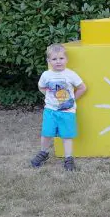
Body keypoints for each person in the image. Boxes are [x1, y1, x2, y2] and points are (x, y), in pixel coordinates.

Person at [30, 43, 87, 171]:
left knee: (67, 136)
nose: (58, 62)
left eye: (61, 58)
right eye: (54, 59)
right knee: (46, 133)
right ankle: (43, 153)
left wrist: (71, 100)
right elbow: (41, 87)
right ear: (49, 61)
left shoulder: (71, 74)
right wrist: (50, 97)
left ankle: (68, 159)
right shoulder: (46, 75)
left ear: (66, 59)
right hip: (50, 111)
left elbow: (83, 87)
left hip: (67, 111)